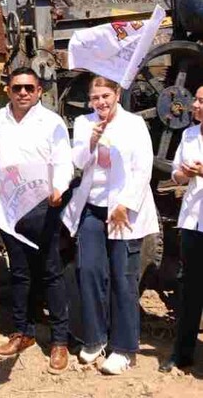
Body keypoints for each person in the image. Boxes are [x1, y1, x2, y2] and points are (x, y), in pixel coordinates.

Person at [62, 76, 159, 375]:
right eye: (95, 97)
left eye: (106, 95)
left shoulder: (133, 124)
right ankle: (94, 338)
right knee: (89, 271)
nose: (101, 102)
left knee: (123, 276)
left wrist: (125, 205)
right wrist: (91, 139)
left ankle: (124, 348)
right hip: (92, 207)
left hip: (124, 211)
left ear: (117, 94)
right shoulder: (83, 123)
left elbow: (144, 167)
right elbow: (76, 161)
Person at [0, 67, 73, 375]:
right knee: (19, 273)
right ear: (8, 90)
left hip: (42, 206)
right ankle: (22, 331)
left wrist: (59, 187)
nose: (22, 93)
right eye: (17, 88)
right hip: (9, 208)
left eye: (28, 88)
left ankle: (59, 340)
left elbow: (64, 160)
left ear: (39, 91)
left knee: (50, 271)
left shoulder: (51, 122)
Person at [159, 85, 203, 373]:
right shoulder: (188, 134)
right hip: (193, 220)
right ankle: (182, 352)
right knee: (189, 287)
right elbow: (174, 172)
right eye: (197, 100)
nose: (194, 105)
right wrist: (183, 173)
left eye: (200, 101)